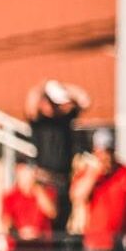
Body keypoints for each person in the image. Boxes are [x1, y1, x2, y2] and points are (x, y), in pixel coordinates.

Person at [25, 80, 88, 234]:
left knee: (62, 225)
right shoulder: (39, 122)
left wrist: (65, 88)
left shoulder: (65, 120)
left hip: (63, 181)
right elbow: (30, 105)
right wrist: (43, 86)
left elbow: (85, 101)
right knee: (45, 224)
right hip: (45, 181)